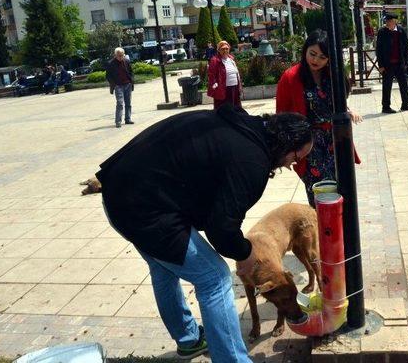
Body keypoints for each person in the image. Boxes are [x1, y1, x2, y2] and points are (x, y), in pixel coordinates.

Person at [97, 104, 313, 362]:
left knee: (164, 268)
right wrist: (245, 254)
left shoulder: (243, 126)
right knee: (215, 278)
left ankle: (189, 340)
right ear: (284, 144)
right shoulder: (252, 162)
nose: (292, 165)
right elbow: (221, 228)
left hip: (118, 191)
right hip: (144, 209)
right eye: (296, 157)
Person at [276, 29, 362, 207]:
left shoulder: (333, 75)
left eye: (322, 57)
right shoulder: (291, 77)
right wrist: (285, 150)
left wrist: (347, 111)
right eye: (312, 54)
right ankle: (322, 230)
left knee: (343, 190)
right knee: (320, 193)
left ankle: (341, 231)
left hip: (335, 139)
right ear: (305, 50)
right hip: (310, 145)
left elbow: (335, 102)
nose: (316, 60)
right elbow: (281, 117)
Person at [376, 12, 408, 114]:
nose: (387, 23)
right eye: (387, 21)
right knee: (387, 86)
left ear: (394, 22)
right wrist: (380, 65)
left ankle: (405, 104)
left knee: (404, 84)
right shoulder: (382, 32)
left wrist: (406, 62)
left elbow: (406, 47)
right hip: (387, 64)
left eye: (390, 21)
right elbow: (378, 50)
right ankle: (386, 107)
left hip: (400, 63)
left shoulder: (401, 31)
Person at [207, 40, 243, 109]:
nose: (225, 51)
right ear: (219, 50)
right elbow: (211, 74)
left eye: (227, 49)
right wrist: (214, 83)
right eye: (223, 49)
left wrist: (240, 85)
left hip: (234, 87)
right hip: (223, 89)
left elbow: (237, 73)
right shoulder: (215, 60)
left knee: (235, 107)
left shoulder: (231, 59)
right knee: (224, 109)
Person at [106, 47, 134, 128]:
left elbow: (131, 72)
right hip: (118, 86)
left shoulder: (126, 61)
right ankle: (118, 121)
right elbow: (108, 76)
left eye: (122, 55)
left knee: (128, 103)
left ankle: (128, 119)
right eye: (119, 56)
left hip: (127, 85)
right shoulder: (111, 63)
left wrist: (131, 80)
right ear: (115, 55)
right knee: (120, 103)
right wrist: (114, 84)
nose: (121, 57)